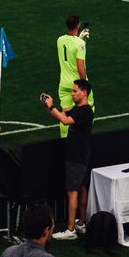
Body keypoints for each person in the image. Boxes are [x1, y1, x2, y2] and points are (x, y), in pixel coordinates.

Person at [40, 79, 92, 239]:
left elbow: (65, 121)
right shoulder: (79, 109)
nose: (72, 94)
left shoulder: (84, 111)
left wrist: (52, 107)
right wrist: (49, 106)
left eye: (75, 91)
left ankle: (71, 230)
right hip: (81, 155)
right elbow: (62, 116)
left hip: (76, 156)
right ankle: (81, 223)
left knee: (72, 191)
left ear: (84, 93)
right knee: (82, 188)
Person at [55, 15, 91, 121]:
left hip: (64, 84)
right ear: (78, 25)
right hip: (77, 85)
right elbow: (80, 66)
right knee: (88, 109)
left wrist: (79, 39)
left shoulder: (59, 40)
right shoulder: (80, 44)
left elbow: (70, 47)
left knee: (65, 114)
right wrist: (84, 84)